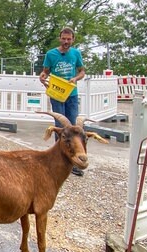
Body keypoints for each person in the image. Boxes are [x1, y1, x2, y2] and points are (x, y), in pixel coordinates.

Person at [39, 27, 86, 176]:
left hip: (71, 93)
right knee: (60, 128)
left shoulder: (76, 53)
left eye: (69, 39)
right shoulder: (51, 54)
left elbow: (82, 71)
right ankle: (59, 160)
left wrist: (75, 78)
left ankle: (75, 160)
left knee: (73, 128)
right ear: (60, 38)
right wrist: (42, 76)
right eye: (64, 39)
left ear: (73, 39)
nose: (66, 42)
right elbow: (45, 71)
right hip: (57, 94)